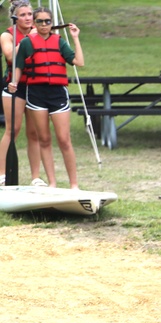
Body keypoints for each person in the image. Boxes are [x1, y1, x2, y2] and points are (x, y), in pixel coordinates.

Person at [9, 6, 83, 188]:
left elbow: (79, 62)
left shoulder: (59, 42)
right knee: (44, 139)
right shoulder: (27, 43)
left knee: (64, 139)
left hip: (57, 93)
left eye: (47, 21)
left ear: (52, 24)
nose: (44, 24)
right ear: (34, 23)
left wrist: (75, 38)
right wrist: (15, 82)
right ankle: (52, 183)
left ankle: (74, 184)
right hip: (36, 94)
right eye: (40, 21)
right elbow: (18, 67)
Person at [0, 0, 42, 186]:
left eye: (30, 14)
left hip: (34, 86)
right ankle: (2, 174)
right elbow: (11, 56)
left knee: (34, 133)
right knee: (12, 130)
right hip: (14, 86)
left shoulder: (40, 33)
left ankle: (35, 177)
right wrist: (28, 39)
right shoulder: (7, 35)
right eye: (23, 15)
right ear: (15, 18)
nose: (27, 18)